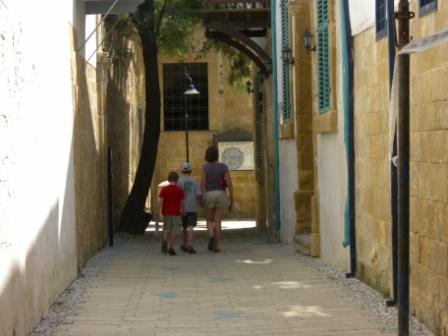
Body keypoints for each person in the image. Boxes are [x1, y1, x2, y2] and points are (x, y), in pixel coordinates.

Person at [200, 145, 233, 252]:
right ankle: (216, 246)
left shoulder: (205, 167)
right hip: (221, 193)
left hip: (209, 194)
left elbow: (203, 184)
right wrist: (231, 196)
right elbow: (229, 183)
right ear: (217, 155)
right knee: (218, 221)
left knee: (209, 220)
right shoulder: (223, 167)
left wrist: (203, 196)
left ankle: (211, 235)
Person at [156, 171, 184, 256]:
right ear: (177, 180)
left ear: (168, 179)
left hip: (166, 212)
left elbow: (161, 201)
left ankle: (165, 241)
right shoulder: (179, 190)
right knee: (173, 231)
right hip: (176, 212)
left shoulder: (164, 189)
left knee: (166, 228)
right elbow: (182, 202)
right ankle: (171, 248)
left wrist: (157, 210)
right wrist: (184, 210)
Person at [177, 162, 202, 254]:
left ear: (182, 170)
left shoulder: (179, 180)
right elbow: (198, 194)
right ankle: (190, 244)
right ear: (190, 170)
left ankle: (184, 244)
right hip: (192, 206)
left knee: (184, 227)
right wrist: (200, 203)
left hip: (182, 207)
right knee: (191, 226)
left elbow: (177, 194)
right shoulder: (194, 180)